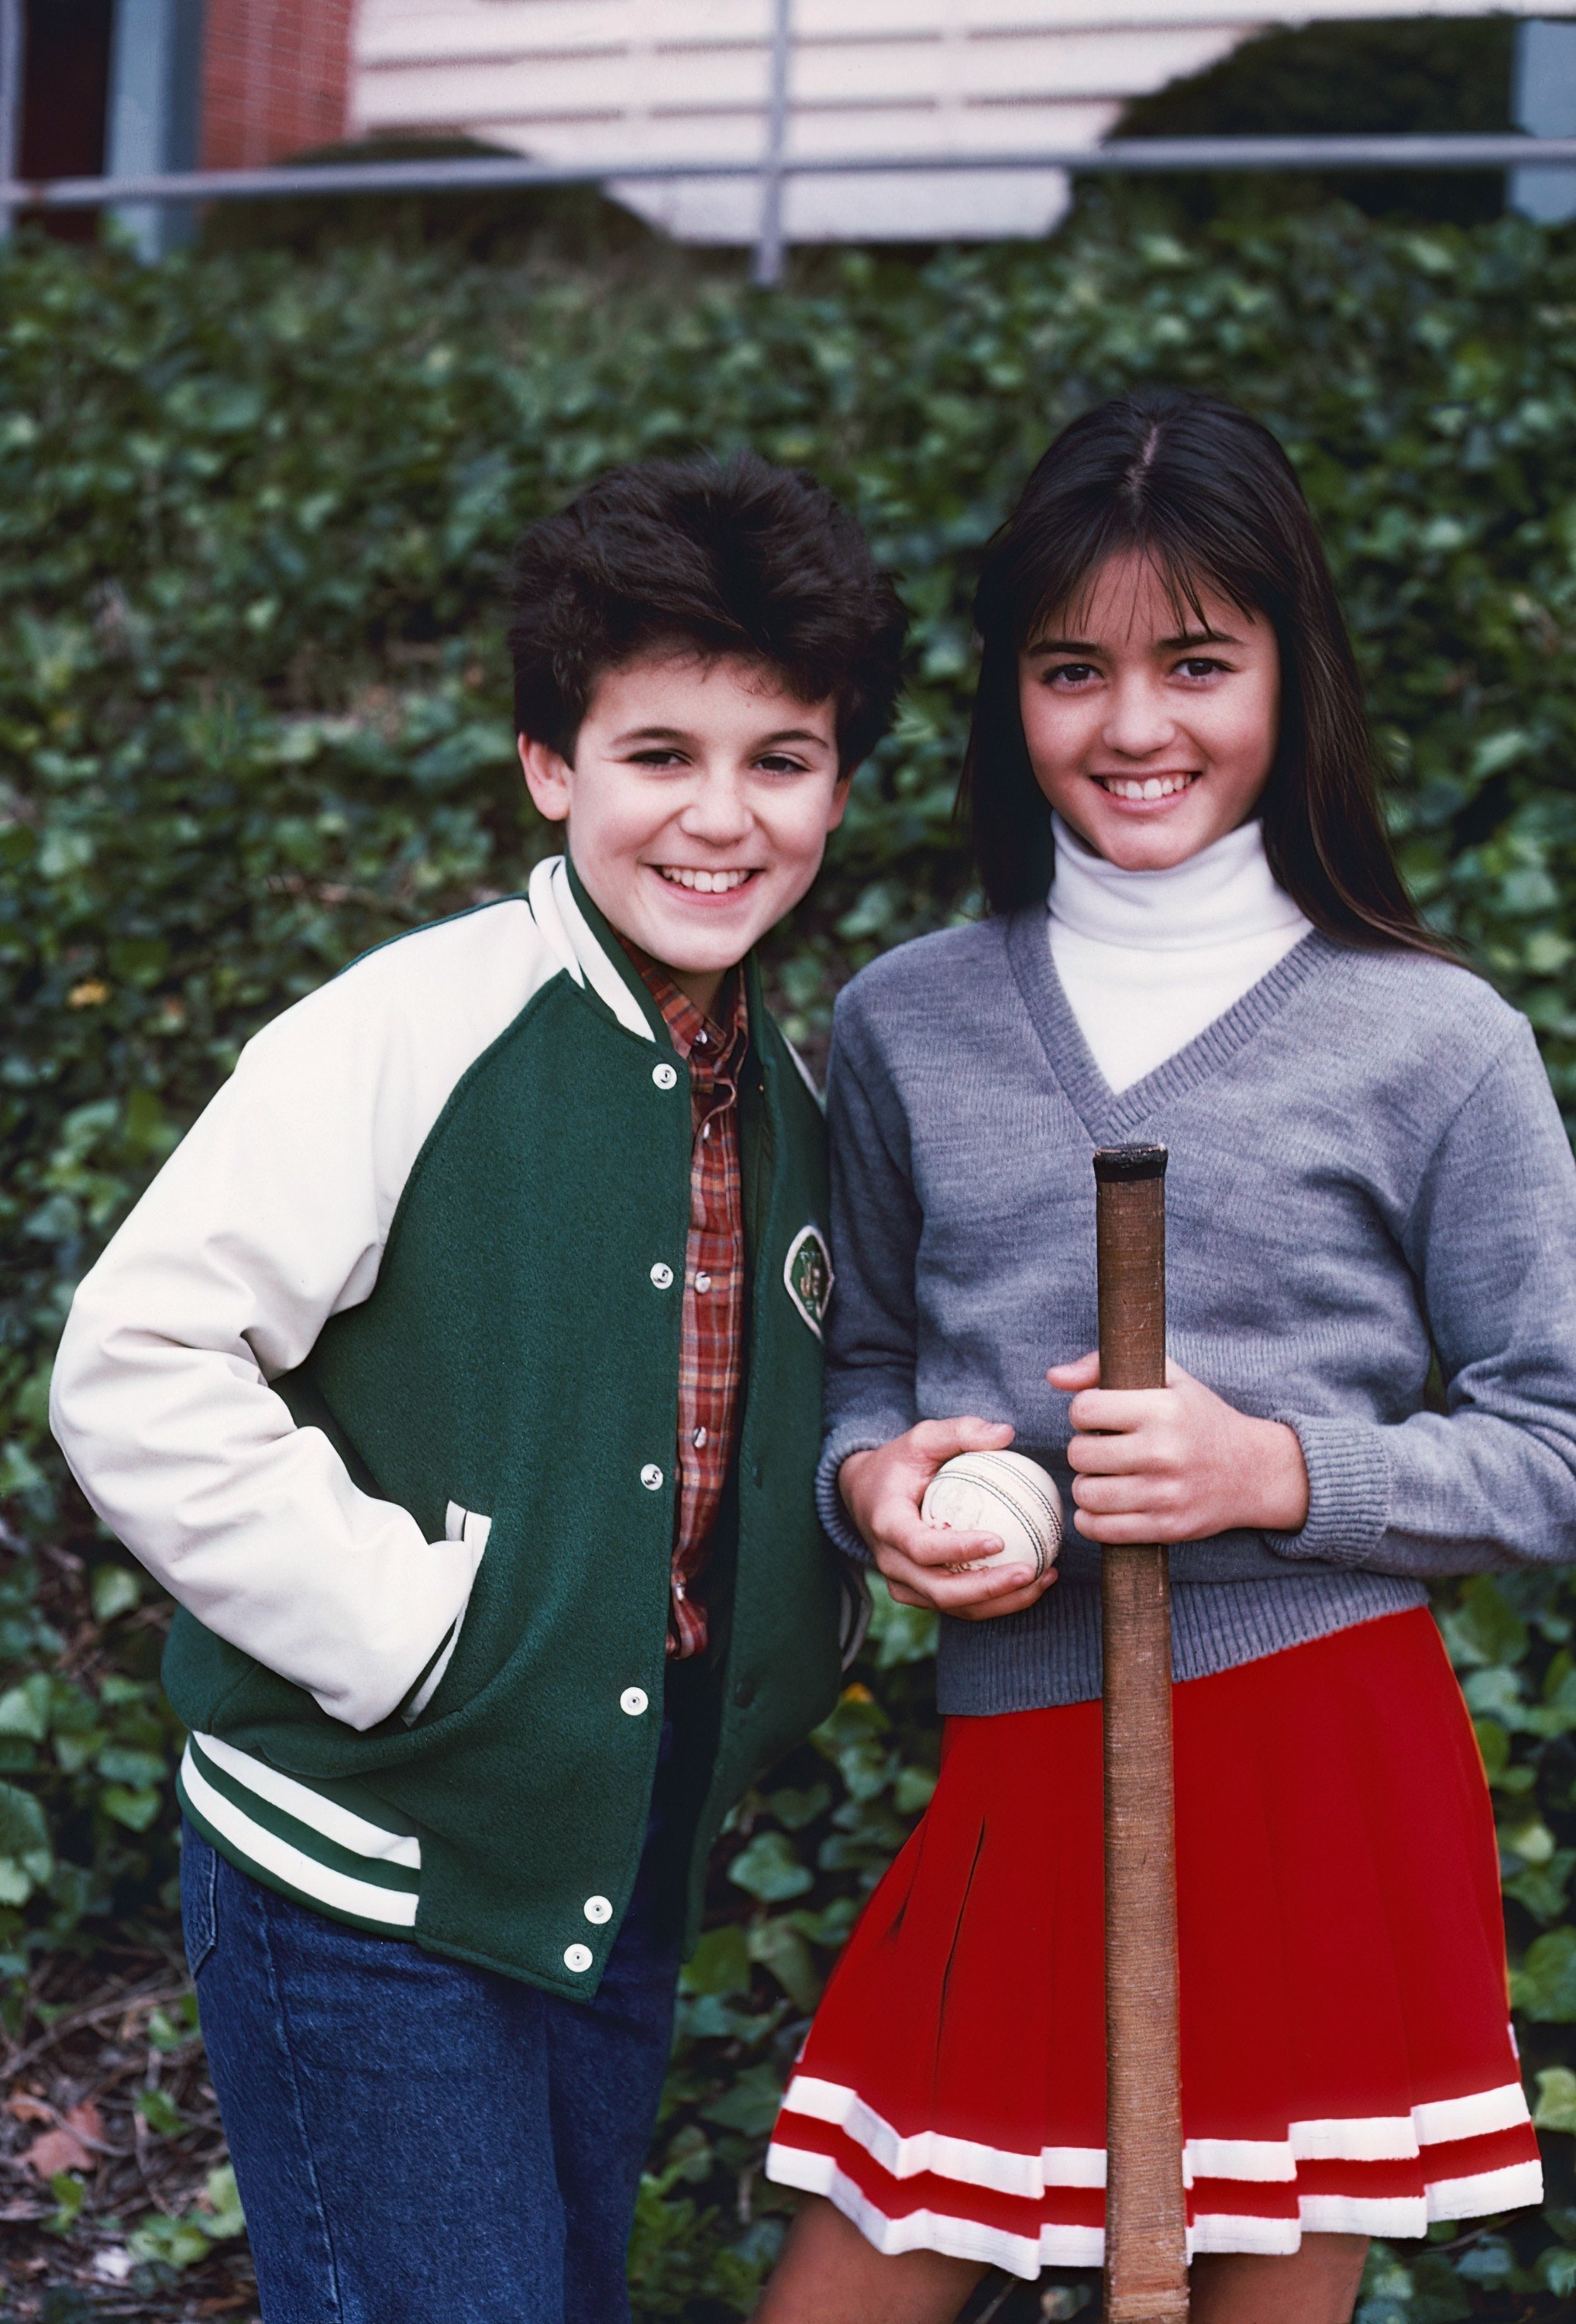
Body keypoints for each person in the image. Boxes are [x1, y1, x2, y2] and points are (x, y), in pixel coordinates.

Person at [49, 453, 906, 2324]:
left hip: (619, 1854)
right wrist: (405, 1630)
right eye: (657, 753)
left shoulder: (800, 1100)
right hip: (367, 1871)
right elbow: (137, 1361)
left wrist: (815, 1618)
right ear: (549, 764)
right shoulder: (407, 1032)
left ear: (841, 784)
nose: (721, 815)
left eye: (781, 758)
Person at [755, 390, 1574, 2324]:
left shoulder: (1435, 1040)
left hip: (1323, 1780)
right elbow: (859, 1369)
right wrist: (875, 1486)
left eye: (1197, 661)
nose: (1135, 728)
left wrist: (1280, 1473)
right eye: (1073, 670)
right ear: (1010, 696)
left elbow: (1556, 1444)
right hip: (1022, 1771)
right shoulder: (908, 1023)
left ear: (1293, 668)